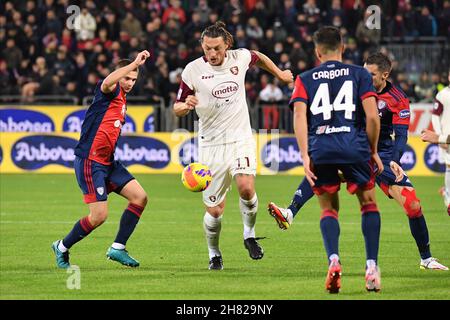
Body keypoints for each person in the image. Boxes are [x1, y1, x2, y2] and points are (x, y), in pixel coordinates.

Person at [269, 53, 449, 271]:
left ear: (385, 75)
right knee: (325, 169)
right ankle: (290, 212)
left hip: (381, 154)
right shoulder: (354, 87)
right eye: (364, 72)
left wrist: (394, 160)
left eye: (371, 74)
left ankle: (426, 258)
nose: (366, 76)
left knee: (413, 205)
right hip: (353, 148)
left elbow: (401, 135)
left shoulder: (398, 99)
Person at [173, 21, 293, 270]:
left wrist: (280, 74)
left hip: (240, 138)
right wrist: (186, 106)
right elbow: (177, 107)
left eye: (216, 48)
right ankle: (214, 253)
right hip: (211, 145)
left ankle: (249, 235)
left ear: (227, 44)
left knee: (246, 188)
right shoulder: (192, 70)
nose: (212, 54)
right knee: (215, 211)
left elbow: (258, 57)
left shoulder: (240, 58)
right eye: (207, 49)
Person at [275, 26, 385, 293]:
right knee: (368, 203)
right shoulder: (359, 74)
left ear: (317, 52)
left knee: (328, 209)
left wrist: (304, 154)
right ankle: (371, 268)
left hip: (321, 149)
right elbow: (372, 117)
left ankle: (334, 260)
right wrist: (372, 151)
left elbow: (299, 117)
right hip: (354, 147)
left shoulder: (304, 78)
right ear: (343, 48)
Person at [51, 50, 151, 268]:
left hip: (108, 162)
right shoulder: (108, 90)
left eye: (134, 79)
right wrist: (134, 62)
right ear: (119, 75)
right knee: (99, 216)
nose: (130, 83)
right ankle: (61, 246)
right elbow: (108, 81)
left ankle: (118, 248)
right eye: (127, 78)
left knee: (140, 197)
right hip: (90, 161)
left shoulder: (123, 100)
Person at [422, 71, 450, 216]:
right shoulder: (443, 94)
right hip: (447, 139)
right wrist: (440, 137)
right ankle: (448, 194)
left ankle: (447, 192)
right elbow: (435, 115)